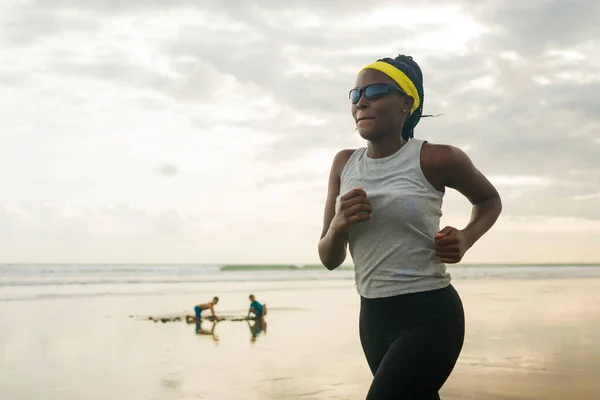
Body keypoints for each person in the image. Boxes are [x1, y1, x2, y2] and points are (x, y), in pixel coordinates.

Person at [318, 54, 502, 399]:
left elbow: (489, 200)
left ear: (407, 103)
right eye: (355, 95)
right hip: (372, 317)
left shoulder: (437, 158)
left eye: (375, 91)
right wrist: (338, 225)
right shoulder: (344, 164)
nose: (362, 101)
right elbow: (328, 257)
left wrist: (466, 237)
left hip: (430, 314)